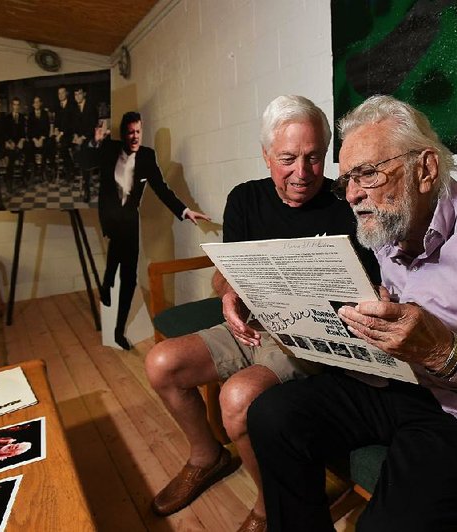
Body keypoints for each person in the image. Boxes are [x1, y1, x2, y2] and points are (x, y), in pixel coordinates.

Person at [246, 95, 457, 531]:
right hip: (398, 382)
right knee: (272, 415)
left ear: (425, 169)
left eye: (366, 173)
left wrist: (447, 351)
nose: (351, 194)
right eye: (346, 178)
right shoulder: (387, 224)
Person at [144, 95, 379, 532]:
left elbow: (369, 288)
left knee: (237, 396)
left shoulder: (346, 202)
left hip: (306, 338)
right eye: (288, 158)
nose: (302, 173)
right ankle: (206, 457)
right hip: (249, 325)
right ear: (266, 155)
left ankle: (270, 504)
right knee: (161, 364)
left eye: (314, 158)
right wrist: (228, 293)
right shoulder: (245, 199)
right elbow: (223, 274)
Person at [89, 111, 210, 350]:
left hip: (130, 223)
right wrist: (96, 141)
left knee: (129, 276)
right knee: (115, 262)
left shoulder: (147, 156)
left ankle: (118, 331)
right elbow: (85, 160)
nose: (135, 136)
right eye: (131, 132)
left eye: (139, 132)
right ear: (123, 133)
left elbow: (162, 190)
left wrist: (185, 211)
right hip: (111, 220)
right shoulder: (110, 149)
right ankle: (106, 286)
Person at [3, 97, 27, 193]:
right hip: (11, 144)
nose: (16, 107)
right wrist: (10, 142)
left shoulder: (22, 117)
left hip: (20, 143)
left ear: (19, 106)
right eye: (14, 104)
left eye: (18, 105)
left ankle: (24, 177)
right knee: (12, 158)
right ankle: (9, 182)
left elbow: (23, 133)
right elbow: (5, 133)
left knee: (29, 151)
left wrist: (21, 140)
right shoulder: (7, 118)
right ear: (12, 106)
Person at [27, 96, 51, 182]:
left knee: (47, 145)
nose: (36, 104)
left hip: (42, 139)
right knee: (29, 146)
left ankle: (43, 170)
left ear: (40, 103)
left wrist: (41, 139)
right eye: (35, 102)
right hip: (34, 140)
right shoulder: (30, 115)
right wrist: (34, 139)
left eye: (38, 102)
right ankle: (35, 168)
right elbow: (29, 130)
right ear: (33, 104)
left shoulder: (45, 114)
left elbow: (47, 128)